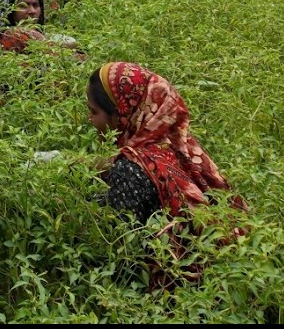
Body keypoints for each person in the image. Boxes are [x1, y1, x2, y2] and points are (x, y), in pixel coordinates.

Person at [85, 61, 248, 290]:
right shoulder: (179, 145)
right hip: (226, 276)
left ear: (122, 114)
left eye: (94, 112)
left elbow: (121, 256)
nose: (89, 120)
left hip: (173, 294)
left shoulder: (130, 169)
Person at [0, 0, 82, 56]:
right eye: (23, 6)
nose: (32, 11)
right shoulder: (11, 36)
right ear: (9, 10)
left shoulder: (45, 36)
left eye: (36, 5)